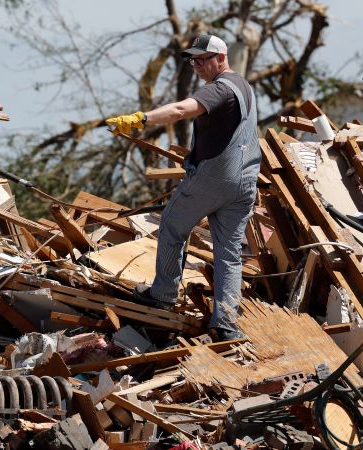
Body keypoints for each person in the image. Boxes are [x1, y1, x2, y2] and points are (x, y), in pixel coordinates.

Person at [106, 34, 260, 341]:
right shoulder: (244, 86)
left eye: (202, 59)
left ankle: (163, 293)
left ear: (221, 57)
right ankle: (226, 324)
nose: (196, 66)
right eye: (193, 61)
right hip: (245, 183)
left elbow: (180, 110)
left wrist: (141, 118)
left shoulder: (220, 88)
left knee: (172, 224)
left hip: (215, 178)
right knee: (229, 254)